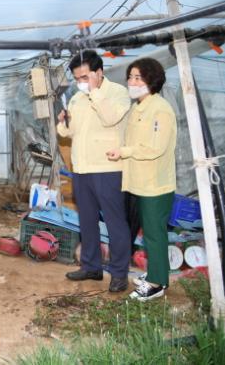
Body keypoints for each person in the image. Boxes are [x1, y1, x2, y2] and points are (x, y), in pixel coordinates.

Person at [57, 50, 131, 293]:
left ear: (99, 73)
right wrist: (63, 121)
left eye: (85, 77)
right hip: (82, 168)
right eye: (77, 78)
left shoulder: (117, 92)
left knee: (114, 222)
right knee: (87, 220)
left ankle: (119, 274)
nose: (81, 82)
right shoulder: (77, 98)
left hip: (108, 168)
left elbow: (110, 118)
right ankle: (91, 266)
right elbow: (69, 133)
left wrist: (95, 91)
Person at [106, 58, 177, 301]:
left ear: (151, 80)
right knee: (150, 234)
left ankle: (157, 284)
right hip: (140, 182)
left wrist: (124, 151)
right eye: (130, 77)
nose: (132, 82)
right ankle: (157, 273)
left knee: (154, 234)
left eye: (138, 78)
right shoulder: (138, 107)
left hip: (155, 184)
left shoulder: (160, 110)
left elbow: (155, 148)